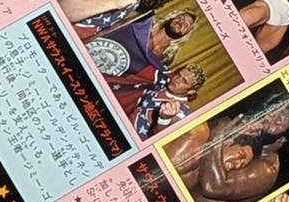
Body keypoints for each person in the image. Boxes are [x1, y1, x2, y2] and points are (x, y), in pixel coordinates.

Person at [168, 104, 289, 202]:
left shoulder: (267, 168)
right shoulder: (247, 139)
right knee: (199, 132)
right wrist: (230, 127)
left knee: (200, 134)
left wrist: (217, 134)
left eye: (280, 122)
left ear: (282, 139)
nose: (271, 121)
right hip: (178, 198)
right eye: (273, 113)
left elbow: (213, 187)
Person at [82, 9, 201, 137]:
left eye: (186, 24)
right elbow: (104, 31)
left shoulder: (166, 58)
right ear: (172, 16)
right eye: (180, 17)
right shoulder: (143, 23)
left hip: (101, 87)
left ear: (185, 34)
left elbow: (140, 80)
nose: (181, 22)